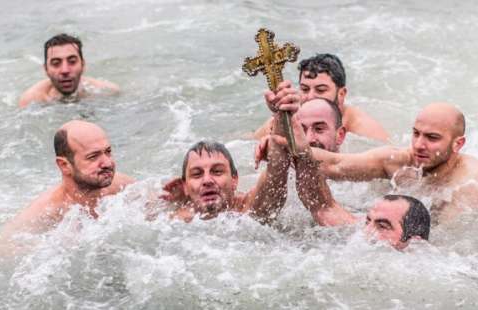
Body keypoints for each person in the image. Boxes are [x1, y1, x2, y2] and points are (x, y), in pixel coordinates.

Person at [259, 102, 431, 250]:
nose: (366, 233)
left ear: (414, 243)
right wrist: (290, 137)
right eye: (367, 221)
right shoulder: (356, 236)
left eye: (383, 226)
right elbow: (321, 205)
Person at [308, 102, 478, 224]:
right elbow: (335, 165)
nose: (419, 145)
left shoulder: (469, 184)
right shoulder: (401, 160)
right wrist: (286, 137)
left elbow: (442, 247)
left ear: (457, 144)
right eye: (416, 133)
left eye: (432, 138)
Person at [0, 120, 135, 255]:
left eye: (108, 151)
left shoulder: (122, 186)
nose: (107, 163)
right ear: (64, 165)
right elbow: (5, 250)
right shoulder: (45, 214)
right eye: (93, 157)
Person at [159, 115, 292, 224]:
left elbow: (276, 173)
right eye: (197, 174)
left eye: (217, 172)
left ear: (234, 180)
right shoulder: (175, 220)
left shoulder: (247, 209)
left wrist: (280, 119)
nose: (207, 180)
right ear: (185, 187)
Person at [254, 53, 390, 143]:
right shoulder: (289, 117)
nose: (310, 97)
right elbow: (247, 146)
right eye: (305, 89)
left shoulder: (364, 131)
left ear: (341, 94)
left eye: (321, 90)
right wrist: (280, 118)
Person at [18, 33, 119, 108]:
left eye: (72, 61)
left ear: (83, 65)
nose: (65, 70)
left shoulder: (107, 92)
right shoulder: (32, 101)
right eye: (56, 63)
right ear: (46, 69)